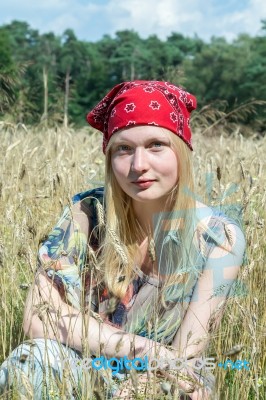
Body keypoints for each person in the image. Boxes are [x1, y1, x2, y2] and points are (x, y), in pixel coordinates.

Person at [0, 80, 246, 399]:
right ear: (109, 157)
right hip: (84, 364)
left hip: (169, 375)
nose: (138, 165)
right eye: (124, 148)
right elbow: (38, 317)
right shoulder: (86, 214)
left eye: (157, 144)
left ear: (182, 151)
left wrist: (141, 384)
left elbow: (188, 352)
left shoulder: (218, 237)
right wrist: (141, 349)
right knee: (32, 359)